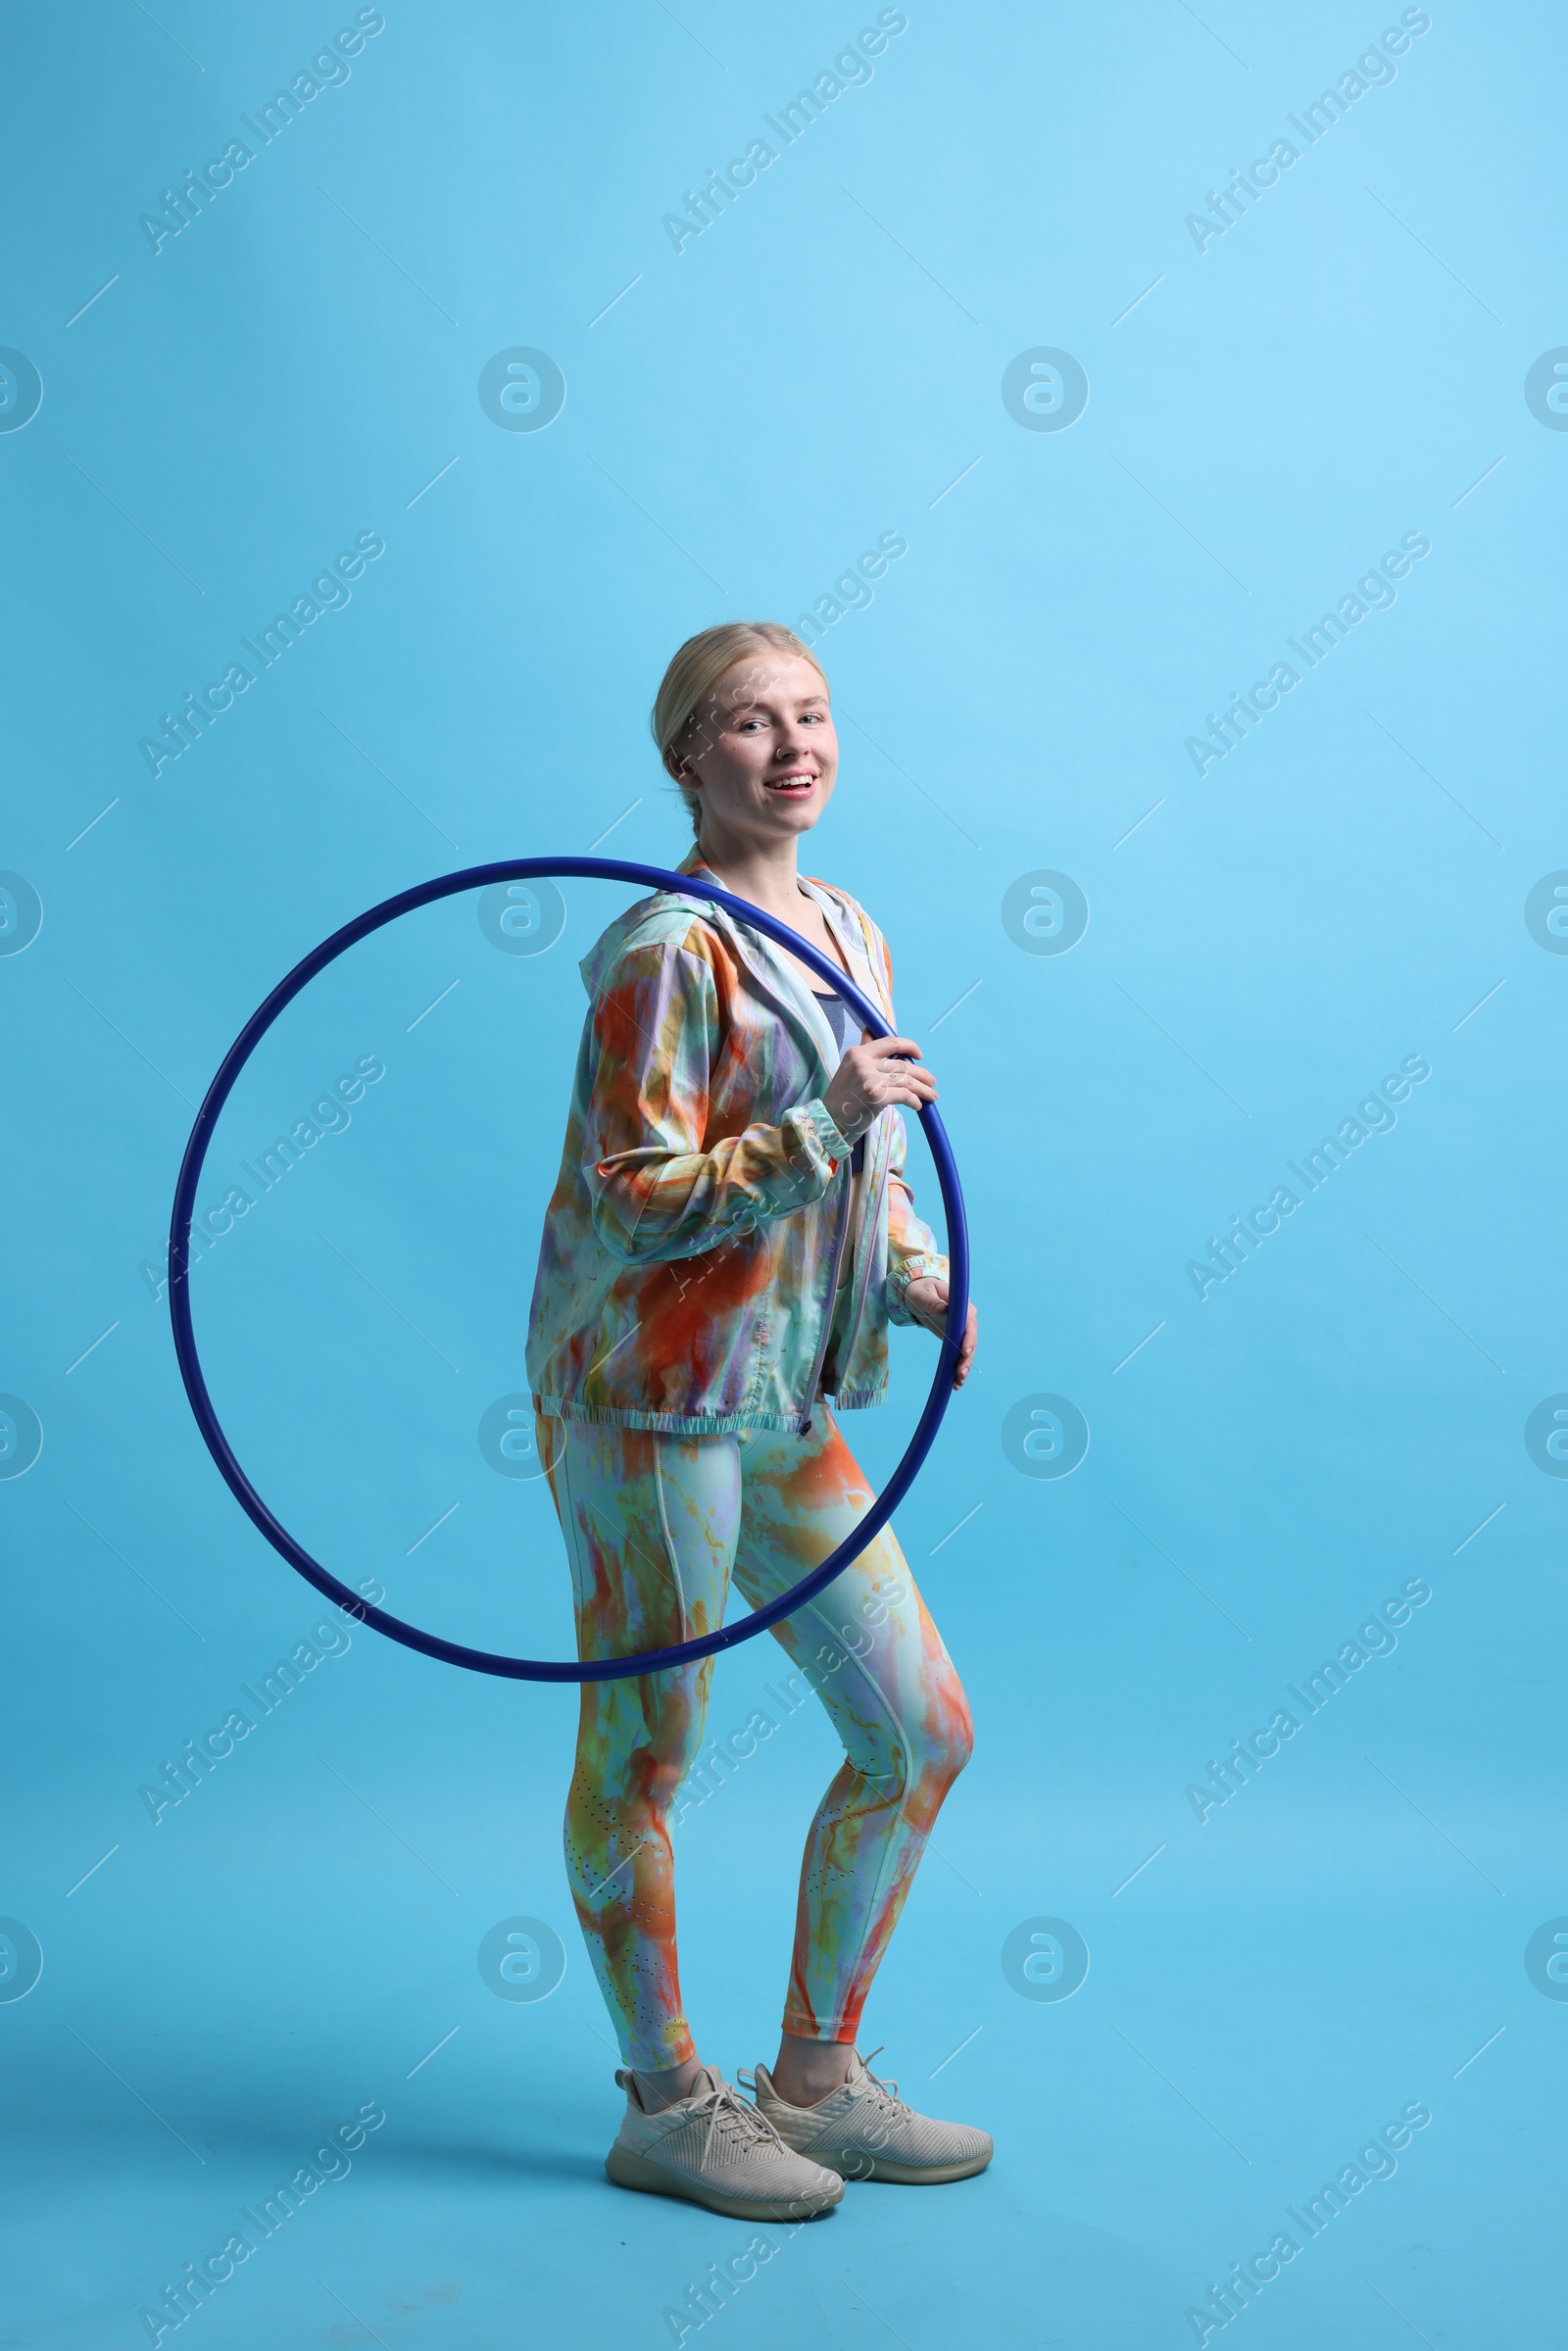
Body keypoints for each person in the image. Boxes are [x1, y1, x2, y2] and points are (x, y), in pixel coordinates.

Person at [525, 621, 988, 2222]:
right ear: (685, 761)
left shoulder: (850, 921)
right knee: (650, 1747)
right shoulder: (665, 953)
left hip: (784, 1390)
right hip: (651, 1400)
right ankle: (664, 2104)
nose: (792, 746)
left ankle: (813, 2082)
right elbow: (634, 1200)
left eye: (812, 714)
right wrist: (827, 1117)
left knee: (920, 1733)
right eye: (746, 723)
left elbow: (880, 1162)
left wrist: (917, 1278)